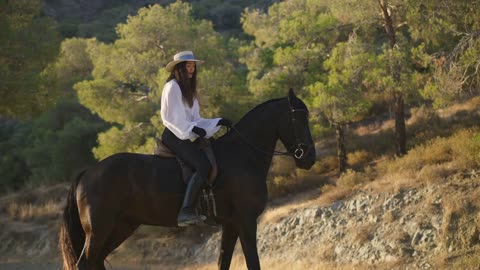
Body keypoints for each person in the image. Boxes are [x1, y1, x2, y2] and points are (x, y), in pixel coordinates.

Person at [160, 51, 231, 226]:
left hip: (186, 132)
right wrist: (193, 129)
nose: (192, 69)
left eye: (193, 66)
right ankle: (185, 211)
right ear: (179, 68)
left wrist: (217, 121)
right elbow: (174, 119)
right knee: (203, 165)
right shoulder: (172, 87)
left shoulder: (188, 89)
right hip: (175, 134)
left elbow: (196, 118)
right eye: (188, 66)